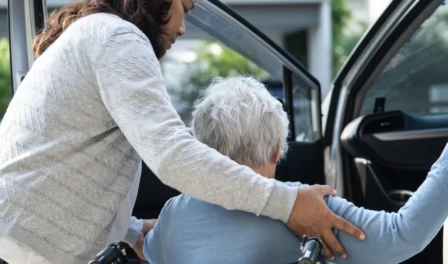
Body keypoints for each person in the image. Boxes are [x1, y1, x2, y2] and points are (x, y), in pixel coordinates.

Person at [0, 0, 366, 263]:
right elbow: (172, 155)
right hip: (27, 245)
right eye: (186, 8)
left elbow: (79, 162)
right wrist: (287, 203)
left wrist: (133, 231)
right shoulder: (119, 39)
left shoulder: (100, 33)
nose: (182, 28)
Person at [142, 76, 448, 264]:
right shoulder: (307, 210)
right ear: (278, 149)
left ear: (203, 148)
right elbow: (403, 235)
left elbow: (151, 250)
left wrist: (129, 227)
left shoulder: (175, 213)